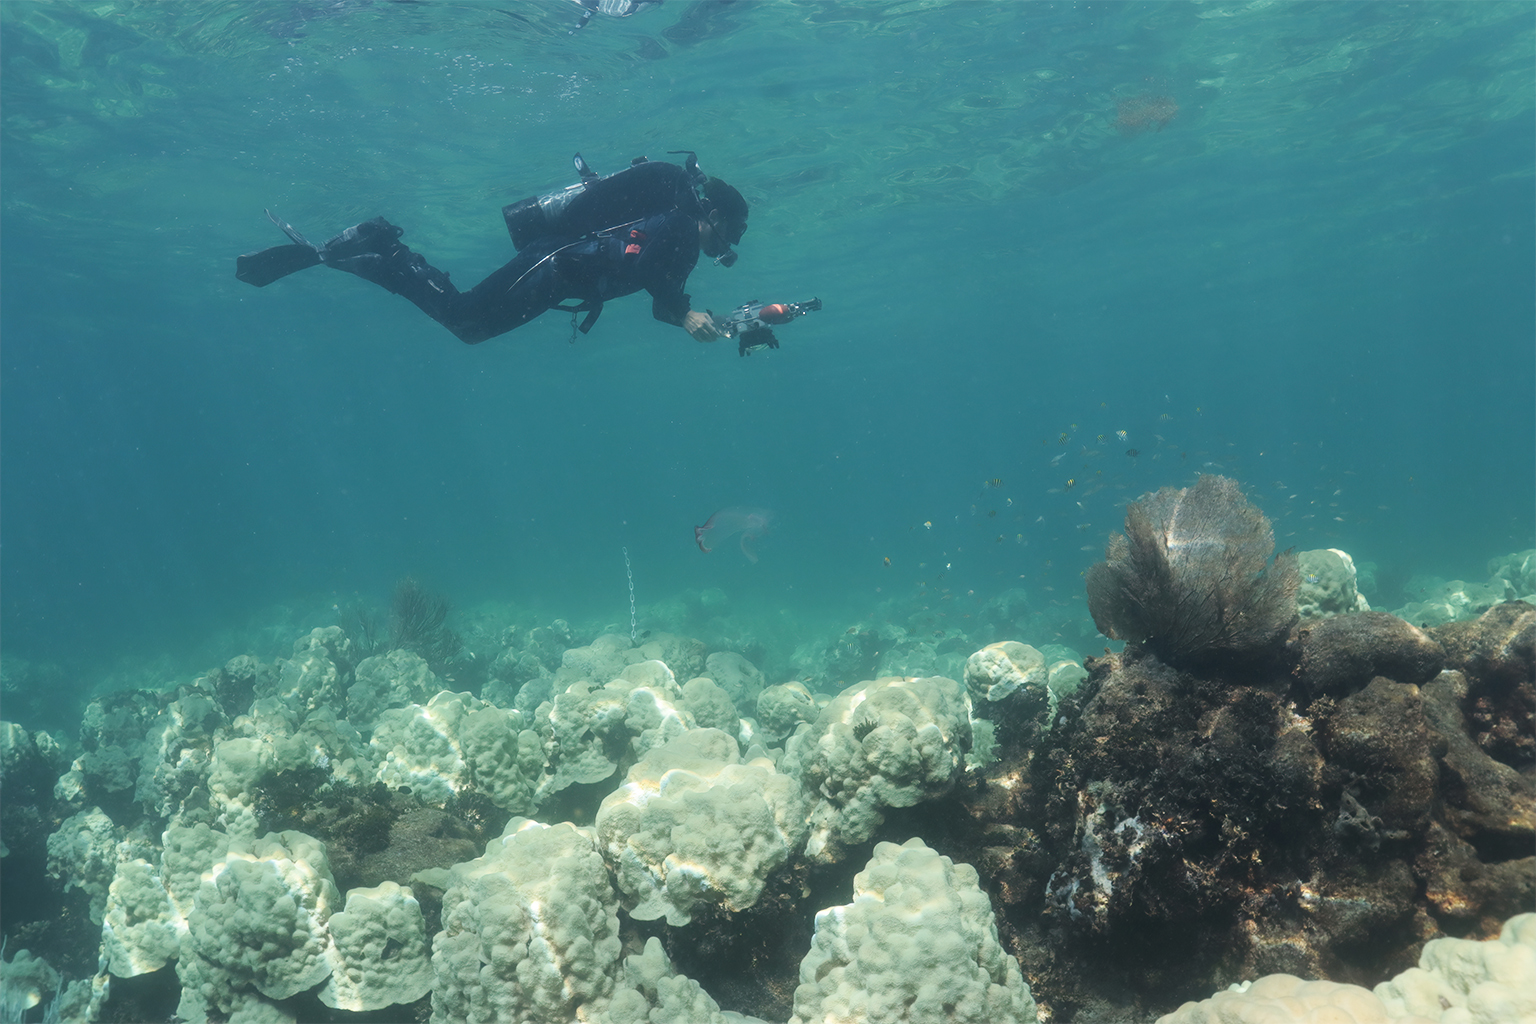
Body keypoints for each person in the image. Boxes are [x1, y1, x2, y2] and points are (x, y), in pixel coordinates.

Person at [235, 156, 748, 345]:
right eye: (721, 245)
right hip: (557, 264)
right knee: (465, 321)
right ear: (716, 218)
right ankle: (385, 250)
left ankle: (381, 252)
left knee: (468, 325)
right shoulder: (682, 226)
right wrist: (684, 316)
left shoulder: (677, 228)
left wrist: (693, 316)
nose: (715, 254)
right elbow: (653, 272)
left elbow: (659, 292)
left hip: (560, 269)